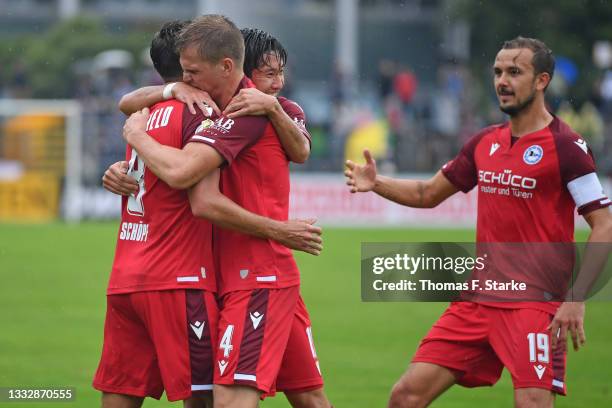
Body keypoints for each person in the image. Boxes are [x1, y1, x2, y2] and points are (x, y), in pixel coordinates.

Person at [345, 36, 612, 407]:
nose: (502, 80)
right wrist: (377, 184)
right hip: (477, 301)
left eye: (515, 72)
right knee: (405, 396)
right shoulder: (484, 142)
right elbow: (427, 194)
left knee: (532, 404)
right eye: (498, 71)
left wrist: (576, 299)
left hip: (534, 305)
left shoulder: (568, 146)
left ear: (542, 81)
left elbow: (604, 225)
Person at [94, 20, 322, 408]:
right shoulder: (203, 109)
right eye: (268, 74)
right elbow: (190, 183)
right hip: (217, 276)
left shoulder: (257, 109)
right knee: (303, 399)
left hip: (252, 276)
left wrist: (135, 140)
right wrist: (127, 162)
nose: (277, 83)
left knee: (240, 398)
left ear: (228, 66)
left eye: (279, 73)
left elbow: (299, 151)